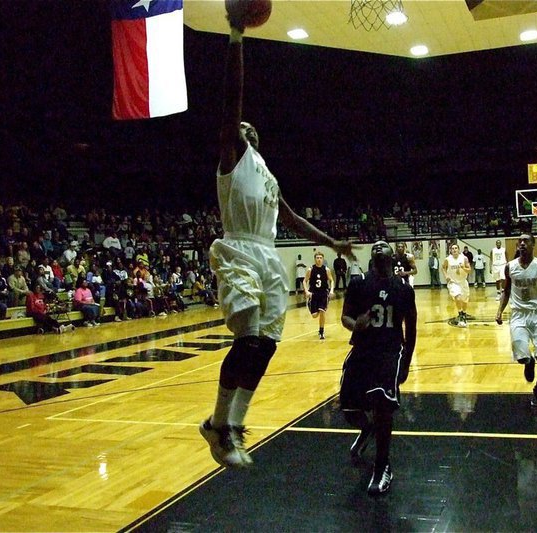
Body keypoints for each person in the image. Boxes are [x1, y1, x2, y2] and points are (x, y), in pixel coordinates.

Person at [199, 4, 356, 470]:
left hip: (268, 255)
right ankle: (220, 426)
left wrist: (332, 242)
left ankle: (226, 424)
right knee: (248, 336)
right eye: (238, 125)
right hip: (240, 248)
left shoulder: (266, 172)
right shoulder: (231, 154)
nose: (241, 127)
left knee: (265, 344)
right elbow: (233, 96)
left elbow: (289, 217)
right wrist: (235, 35)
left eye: (247, 128)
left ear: (257, 139)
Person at [339, 240, 417, 495]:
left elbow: (411, 328)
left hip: (389, 352)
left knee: (383, 405)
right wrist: (355, 325)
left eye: (384, 245)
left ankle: (383, 465)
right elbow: (345, 317)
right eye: (376, 245)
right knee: (349, 409)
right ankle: (367, 428)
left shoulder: (403, 289)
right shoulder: (359, 282)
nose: (379, 245)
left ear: (392, 257)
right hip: (362, 350)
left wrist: (406, 362)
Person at [495, 234, 537, 407]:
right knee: (522, 356)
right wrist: (499, 310)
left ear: (533, 245)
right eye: (519, 241)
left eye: (526, 241)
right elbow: (506, 291)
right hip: (518, 314)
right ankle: (528, 362)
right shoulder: (510, 267)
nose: (522, 244)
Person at [304, 252, 334, 340]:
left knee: (322, 311)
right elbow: (304, 281)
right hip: (313, 293)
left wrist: (331, 290)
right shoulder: (311, 269)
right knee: (314, 315)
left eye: (321, 258)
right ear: (315, 259)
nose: (319, 259)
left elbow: (331, 280)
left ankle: (321, 331)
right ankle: (309, 304)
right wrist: (306, 291)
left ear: (323, 259)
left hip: (324, 293)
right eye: (317, 257)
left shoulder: (326, 270)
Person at [442, 243, 471, 327]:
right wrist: (446, 276)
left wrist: (463, 268)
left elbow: (469, 270)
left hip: (463, 281)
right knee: (457, 297)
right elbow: (443, 267)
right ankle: (460, 314)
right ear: (450, 250)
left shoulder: (464, 258)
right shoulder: (448, 259)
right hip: (453, 282)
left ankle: (464, 313)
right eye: (452, 248)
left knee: (465, 301)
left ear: (458, 250)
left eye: (456, 248)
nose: (454, 250)